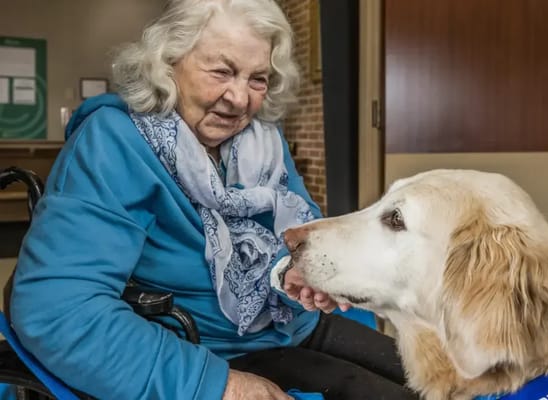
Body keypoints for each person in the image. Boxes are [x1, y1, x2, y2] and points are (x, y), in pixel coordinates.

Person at [10, 0, 418, 399]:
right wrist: (216, 385)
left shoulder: (264, 141)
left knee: (433, 377)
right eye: (222, 71)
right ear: (167, 64)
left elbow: (298, 224)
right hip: (209, 349)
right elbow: (60, 310)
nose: (240, 99)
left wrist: (298, 266)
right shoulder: (113, 142)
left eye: (258, 79)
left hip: (289, 321)